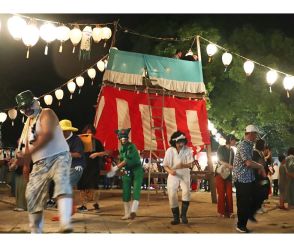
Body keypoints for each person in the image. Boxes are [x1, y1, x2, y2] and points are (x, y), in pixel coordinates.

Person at [12, 90, 72, 233]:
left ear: (35, 102)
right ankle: (35, 231)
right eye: (23, 108)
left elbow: (47, 135)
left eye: (28, 106)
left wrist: (26, 156)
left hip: (59, 156)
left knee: (61, 181)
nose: (27, 110)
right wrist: (24, 165)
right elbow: (26, 145)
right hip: (39, 163)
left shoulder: (47, 113)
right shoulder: (27, 124)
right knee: (32, 195)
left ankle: (65, 223)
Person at [232, 125, 266, 233]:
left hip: (247, 178)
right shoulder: (243, 145)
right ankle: (241, 225)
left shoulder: (249, 145)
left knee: (249, 200)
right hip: (242, 179)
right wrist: (260, 166)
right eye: (255, 134)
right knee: (243, 203)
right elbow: (248, 162)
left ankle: (245, 220)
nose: (256, 136)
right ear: (250, 134)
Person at [51, 119, 85, 221]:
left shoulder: (76, 140)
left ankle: (67, 212)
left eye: (65, 131)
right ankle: (66, 212)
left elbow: (78, 154)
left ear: (70, 130)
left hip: (76, 167)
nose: (63, 133)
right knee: (59, 188)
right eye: (62, 131)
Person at [107, 128, 144, 220]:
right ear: (119, 139)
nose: (123, 140)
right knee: (126, 191)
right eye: (121, 138)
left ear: (127, 138)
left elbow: (126, 160)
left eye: (125, 138)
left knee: (136, 190)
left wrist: (116, 167)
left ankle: (133, 211)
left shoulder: (132, 147)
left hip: (136, 170)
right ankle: (127, 213)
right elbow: (121, 160)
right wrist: (121, 170)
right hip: (127, 170)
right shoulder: (121, 148)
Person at [163, 131, 194, 225]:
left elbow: (191, 164)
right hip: (173, 174)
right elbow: (165, 165)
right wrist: (170, 171)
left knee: (186, 192)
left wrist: (183, 165)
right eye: (179, 142)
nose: (181, 144)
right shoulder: (169, 151)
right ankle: (176, 218)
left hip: (184, 173)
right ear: (174, 142)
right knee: (171, 194)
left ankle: (183, 215)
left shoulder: (188, 150)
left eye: (182, 142)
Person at [78, 124, 108, 212]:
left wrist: (97, 154)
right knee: (82, 186)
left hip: (94, 167)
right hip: (83, 166)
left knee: (94, 185)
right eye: (87, 133)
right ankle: (83, 205)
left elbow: (104, 152)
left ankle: (96, 203)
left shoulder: (97, 142)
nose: (89, 134)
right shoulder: (81, 141)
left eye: (91, 133)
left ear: (94, 133)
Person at [215, 134, 237, 218]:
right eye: (234, 140)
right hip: (220, 173)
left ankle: (230, 212)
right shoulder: (221, 148)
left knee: (229, 193)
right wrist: (229, 165)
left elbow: (233, 163)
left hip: (228, 175)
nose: (235, 142)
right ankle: (221, 212)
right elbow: (220, 161)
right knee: (221, 193)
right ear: (230, 140)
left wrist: (232, 167)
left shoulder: (232, 151)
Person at [252, 139, 270, 215]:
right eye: (264, 144)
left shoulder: (260, 153)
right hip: (257, 176)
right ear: (260, 145)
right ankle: (257, 207)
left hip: (262, 176)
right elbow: (257, 164)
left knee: (263, 190)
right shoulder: (255, 152)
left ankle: (260, 205)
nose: (264, 146)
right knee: (258, 192)